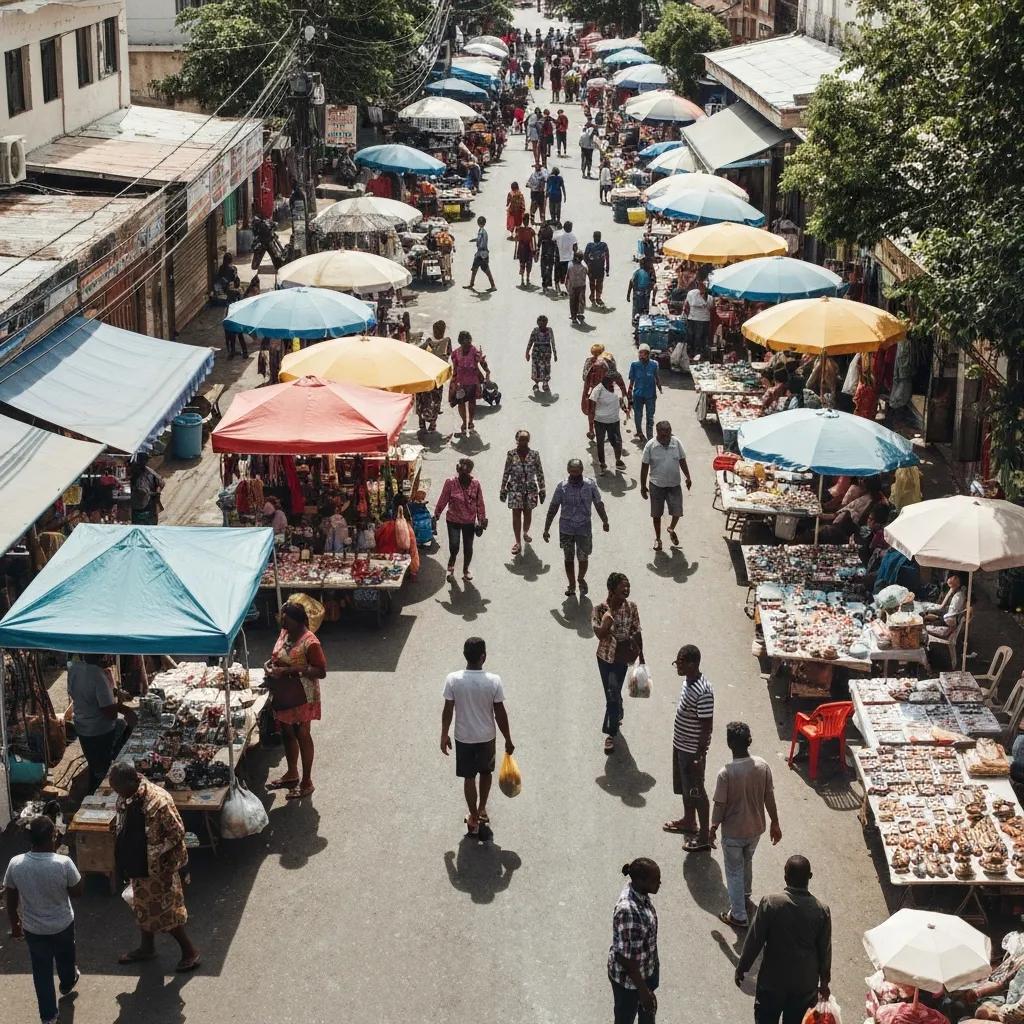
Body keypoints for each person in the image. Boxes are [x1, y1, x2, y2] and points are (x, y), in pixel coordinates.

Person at [110, 762, 200, 971]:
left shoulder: (158, 801)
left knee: (166, 911)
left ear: (132, 781)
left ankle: (190, 952)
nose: (117, 793)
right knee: (142, 906)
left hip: (159, 868)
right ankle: (147, 947)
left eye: (118, 788)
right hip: (138, 864)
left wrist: (157, 855)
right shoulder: (128, 796)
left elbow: (177, 833)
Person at [4, 815, 83, 1024]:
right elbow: (76, 893)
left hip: (33, 929)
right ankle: (67, 983)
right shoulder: (63, 863)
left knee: (41, 972)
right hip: (62, 924)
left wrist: (16, 925)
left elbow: (10, 898)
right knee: (66, 957)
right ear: (53, 835)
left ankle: (48, 1016)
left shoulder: (16, 863)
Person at [735, 855, 832, 1024]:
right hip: (804, 986)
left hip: (772, 982)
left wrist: (742, 967)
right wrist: (824, 982)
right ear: (810, 877)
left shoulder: (771, 903)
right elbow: (825, 950)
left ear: (785, 877)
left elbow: (754, 940)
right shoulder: (821, 911)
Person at [710, 722, 782, 929]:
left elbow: (719, 806)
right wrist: (775, 822)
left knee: (733, 871)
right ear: (749, 740)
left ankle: (739, 915)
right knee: (747, 861)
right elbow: (769, 797)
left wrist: (712, 828)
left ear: (729, 743)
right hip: (755, 830)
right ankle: (745, 896)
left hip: (733, 833)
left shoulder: (726, 773)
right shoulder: (762, 765)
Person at [440, 636, 514, 837]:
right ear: (484, 657)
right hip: (486, 737)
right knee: (485, 773)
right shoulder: (493, 681)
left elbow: (448, 710)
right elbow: (500, 713)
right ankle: (482, 809)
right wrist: (507, 739)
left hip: (463, 738)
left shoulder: (453, 680)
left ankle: (473, 815)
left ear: (465, 655)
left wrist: (444, 735)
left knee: (468, 778)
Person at [264, 601, 327, 800]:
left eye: (286, 618)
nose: (282, 621)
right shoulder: (285, 633)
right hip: (284, 693)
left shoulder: (311, 642)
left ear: (298, 621)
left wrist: (291, 670)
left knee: (302, 734)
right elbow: (279, 654)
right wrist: (272, 666)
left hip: (302, 695)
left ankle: (307, 782)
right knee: (287, 733)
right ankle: (292, 774)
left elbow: (321, 671)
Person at [664, 644, 714, 852]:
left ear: (693, 664)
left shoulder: (703, 691)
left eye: (681, 662)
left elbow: (706, 727)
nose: (677, 666)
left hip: (692, 751)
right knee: (686, 789)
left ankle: (704, 836)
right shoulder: (689, 682)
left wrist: (698, 757)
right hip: (681, 746)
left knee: (697, 792)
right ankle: (688, 820)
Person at [67, 653, 136, 790]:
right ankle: (98, 793)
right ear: (102, 656)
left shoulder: (74, 669)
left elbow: (78, 692)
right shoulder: (98, 675)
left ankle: (94, 786)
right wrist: (125, 710)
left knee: (94, 764)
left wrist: (113, 692)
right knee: (101, 769)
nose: (109, 659)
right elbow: (110, 713)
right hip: (99, 730)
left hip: (83, 726)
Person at [544, 458, 609, 598]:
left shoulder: (590, 485)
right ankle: (572, 584)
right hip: (566, 528)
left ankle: (580, 578)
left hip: (583, 528)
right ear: (568, 471)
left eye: (577, 471)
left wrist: (605, 520)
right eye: (572, 471)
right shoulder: (561, 487)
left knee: (583, 556)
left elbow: (598, 503)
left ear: (581, 470)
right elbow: (553, 507)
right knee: (568, 558)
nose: (574, 474)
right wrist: (546, 528)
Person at [592, 572, 641, 753]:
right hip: (604, 657)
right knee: (611, 694)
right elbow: (598, 634)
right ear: (612, 590)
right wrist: (606, 621)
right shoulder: (599, 609)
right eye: (623, 587)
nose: (627, 590)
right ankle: (617, 708)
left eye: (628, 586)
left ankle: (610, 733)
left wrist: (640, 657)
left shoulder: (632, 608)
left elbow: (637, 631)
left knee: (612, 693)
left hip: (621, 658)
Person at [608, 858, 661, 1024]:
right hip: (629, 984)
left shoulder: (640, 894)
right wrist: (644, 992)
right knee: (625, 1019)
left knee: (648, 1016)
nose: (660, 882)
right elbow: (626, 960)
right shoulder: (628, 911)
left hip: (646, 973)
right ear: (640, 881)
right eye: (655, 880)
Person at [640, 421, 692, 550]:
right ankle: (658, 539)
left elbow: (682, 460)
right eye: (662, 435)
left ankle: (671, 529)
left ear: (670, 432)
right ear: (657, 433)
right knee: (656, 515)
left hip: (674, 485)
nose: (665, 438)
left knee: (677, 512)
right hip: (656, 485)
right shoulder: (650, 446)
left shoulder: (676, 443)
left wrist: (688, 476)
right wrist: (643, 486)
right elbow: (644, 467)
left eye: (667, 434)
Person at [434, 458, 487, 582]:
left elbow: (480, 504)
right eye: (461, 472)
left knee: (468, 548)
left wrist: (481, 520)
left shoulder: (476, 484)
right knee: (454, 546)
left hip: (469, 521)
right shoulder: (450, 483)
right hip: (453, 520)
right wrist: (436, 514)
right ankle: (451, 566)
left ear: (469, 472)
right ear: (458, 471)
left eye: (466, 472)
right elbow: (443, 499)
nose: (463, 474)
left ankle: (466, 570)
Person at [500, 430, 546, 556]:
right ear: (517, 440)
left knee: (528, 513)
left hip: (531, 489)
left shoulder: (534, 455)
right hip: (515, 489)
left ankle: (525, 532)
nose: (524, 441)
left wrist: (542, 489)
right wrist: (503, 487)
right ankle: (517, 542)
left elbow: (539, 472)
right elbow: (506, 472)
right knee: (515, 515)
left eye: (526, 439)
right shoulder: (511, 454)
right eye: (521, 439)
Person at [449, 331, 490, 435]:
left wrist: (487, 370)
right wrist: (454, 382)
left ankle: (470, 422)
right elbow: (455, 368)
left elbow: (481, 362)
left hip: (472, 382)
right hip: (460, 383)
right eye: (465, 342)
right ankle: (464, 422)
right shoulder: (455, 353)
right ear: (461, 342)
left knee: (472, 403)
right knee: (461, 404)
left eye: (469, 341)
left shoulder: (474, 351)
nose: (468, 344)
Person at [590, 369, 628, 474]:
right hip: (600, 421)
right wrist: (591, 426)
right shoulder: (598, 390)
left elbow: (620, 401)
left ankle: (618, 461)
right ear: (608, 380)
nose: (616, 383)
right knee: (600, 443)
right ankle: (602, 464)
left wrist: (625, 409)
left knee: (617, 442)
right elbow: (591, 408)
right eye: (615, 380)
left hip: (614, 421)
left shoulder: (616, 388)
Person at [416, 320, 451, 433]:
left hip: (427, 375)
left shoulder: (429, 343)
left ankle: (422, 421)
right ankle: (432, 423)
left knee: (422, 397)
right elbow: (447, 355)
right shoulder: (446, 342)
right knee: (435, 399)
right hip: (437, 376)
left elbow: (418, 352)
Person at [627, 344, 663, 443]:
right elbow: (631, 381)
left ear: (648, 354)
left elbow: (656, 377)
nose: (641, 356)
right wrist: (629, 394)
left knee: (650, 417)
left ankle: (650, 437)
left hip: (650, 395)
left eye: (644, 354)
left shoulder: (654, 364)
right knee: (638, 416)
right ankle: (639, 432)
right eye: (640, 354)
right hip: (638, 395)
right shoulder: (634, 365)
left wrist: (659, 387)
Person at [924, 571, 968, 639]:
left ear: (959, 582)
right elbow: (942, 606)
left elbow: (950, 619)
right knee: (927, 613)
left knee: (922, 624)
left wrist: (937, 618)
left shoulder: (958, 597)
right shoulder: (958, 591)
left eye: (953, 577)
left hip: (949, 625)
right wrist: (951, 589)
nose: (949, 578)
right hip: (948, 617)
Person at [525, 314, 558, 392]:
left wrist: (555, 353)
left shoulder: (549, 330)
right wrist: (527, 352)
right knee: (536, 367)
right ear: (538, 323)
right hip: (536, 352)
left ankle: (545, 382)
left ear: (546, 323)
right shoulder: (535, 330)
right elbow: (530, 341)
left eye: (544, 322)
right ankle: (536, 384)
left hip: (546, 352)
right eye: (540, 322)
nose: (542, 324)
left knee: (546, 367)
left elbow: (553, 342)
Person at [129, 454, 164, 525]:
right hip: (139, 503)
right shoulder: (136, 471)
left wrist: (157, 492)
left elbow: (161, 483)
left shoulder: (149, 472)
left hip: (148, 503)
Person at [683, 277, 713, 360]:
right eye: (700, 285)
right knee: (691, 337)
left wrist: (704, 297)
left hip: (703, 320)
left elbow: (710, 306)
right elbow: (691, 303)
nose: (701, 287)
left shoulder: (709, 297)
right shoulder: (692, 294)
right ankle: (691, 354)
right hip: (693, 318)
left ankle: (699, 354)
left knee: (700, 338)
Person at [466, 215, 496, 291]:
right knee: (483, 269)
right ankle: (492, 285)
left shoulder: (481, 232)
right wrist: (474, 240)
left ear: (478, 223)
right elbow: (480, 240)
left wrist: (479, 252)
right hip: (484, 253)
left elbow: (482, 243)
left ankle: (472, 284)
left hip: (481, 254)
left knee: (477, 269)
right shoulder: (483, 231)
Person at [584, 230, 610, 305]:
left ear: (593, 237)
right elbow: (607, 257)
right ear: (600, 237)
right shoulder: (604, 245)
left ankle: (592, 296)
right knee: (599, 283)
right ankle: (598, 298)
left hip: (591, 268)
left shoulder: (589, 245)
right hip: (600, 268)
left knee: (592, 283)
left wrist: (588, 263)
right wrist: (607, 268)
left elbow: (585, 257)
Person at [554, 220, 578, 296]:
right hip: (567, 258)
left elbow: (554, 242)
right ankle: (565, 287)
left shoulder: (558, 234)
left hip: (559, 257)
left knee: (557, 272)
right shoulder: (573, 236)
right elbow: (575, 247)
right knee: (565, 273)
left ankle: (557, 286)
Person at [566, 253, 589, 325]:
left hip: (572, 286)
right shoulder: (584, 266)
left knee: (573, 301)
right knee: (581, 300)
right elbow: (587, 273)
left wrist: (567, 286)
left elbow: (567, 277)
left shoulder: (570, 265)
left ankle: (574, 317)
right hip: (581, 286)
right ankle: (580, 313)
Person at [515, 214, 538, 286]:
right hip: (527, 249)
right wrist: (535, 251)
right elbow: (534, 241)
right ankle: (526, 280)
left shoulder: (519, 229)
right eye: (526, 220)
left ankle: (523, 280)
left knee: (523, 265)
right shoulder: (531, 231)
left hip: (523, 249)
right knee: (527, 265)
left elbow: (516, 239)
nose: (526, 222)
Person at [538, 218, 557, 292]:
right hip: (551, 252)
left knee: (543, 267)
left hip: (544, 251)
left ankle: (544, 284)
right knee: (550, 267)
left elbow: (539, 241)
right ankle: (548, 283)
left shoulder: (542, 231)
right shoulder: (553, 231)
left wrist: (538, 249)